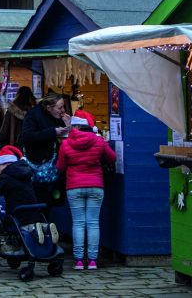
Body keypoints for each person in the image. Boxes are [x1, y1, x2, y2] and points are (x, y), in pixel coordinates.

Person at [56, 116, 116, 271]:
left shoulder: (66, 143)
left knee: (78, 223)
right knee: (93, 223)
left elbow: (60, 167)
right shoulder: (98, 141)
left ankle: (78, 260)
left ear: (74, 127)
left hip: (74, 186)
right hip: (95, 184)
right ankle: (93, 260)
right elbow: (112, 158)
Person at [0, 145, 58, 247]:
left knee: (23, 227)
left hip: (17, 208)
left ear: (6, 163)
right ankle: (46, 227)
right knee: (33, 222)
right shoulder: (25, 173)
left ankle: (35, 230)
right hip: (32, 206)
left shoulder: (6, 176)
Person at [22, 92, 71, 206]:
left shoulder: (57, 116)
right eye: (60, 107)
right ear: (49, 108)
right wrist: (53, 132)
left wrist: (68, 125)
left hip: (55, 166)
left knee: (56, 199)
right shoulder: (33, 115)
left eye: (63, 106)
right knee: (43, 199)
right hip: (39, 165)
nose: (63, 110)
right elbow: (28, 137)